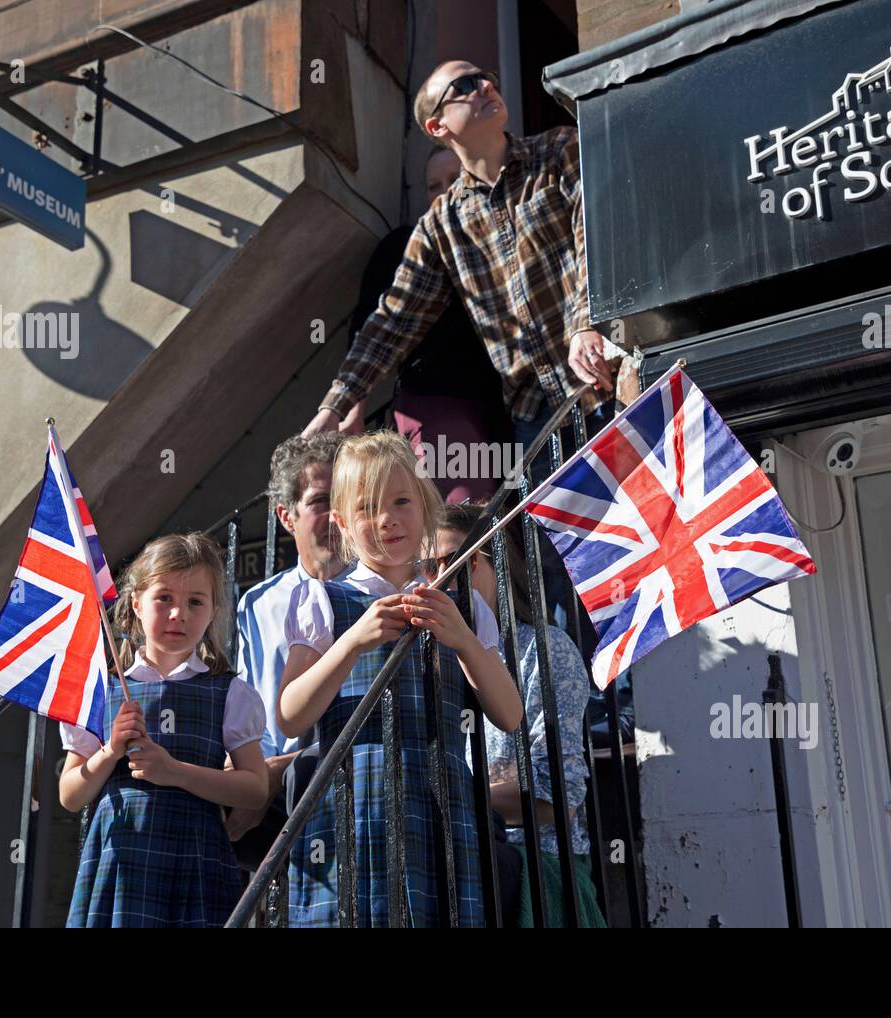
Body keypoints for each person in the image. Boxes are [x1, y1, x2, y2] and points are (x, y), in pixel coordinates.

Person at [302, 59, 619, 445]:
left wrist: (587, 323)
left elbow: (599, 235)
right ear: (437, 126)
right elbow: (393, 319)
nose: (485, 85)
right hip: (538, 422)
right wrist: (333, 407)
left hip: (609, 382)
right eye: (466, 84)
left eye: (487, 77)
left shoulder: (558, 150)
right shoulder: (441, 225)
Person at [277, 431, 524, 926]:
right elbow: (289, 715)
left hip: (441, 800)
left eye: (401, 501)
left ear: (426, 508)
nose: (386, 518)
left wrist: (463, 639)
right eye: (366, 508)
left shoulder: (463, 605)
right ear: (344, 523)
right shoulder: (325, 601)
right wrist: (350, 643)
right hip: (356, 800)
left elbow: (510, 713)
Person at [59, 532, 270, 927]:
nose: (179, 614)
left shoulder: (229, 693)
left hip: (196, 857)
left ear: (211, 612)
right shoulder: (100, 691)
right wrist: (111, 750)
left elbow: (254, 788)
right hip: (120, 858)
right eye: (164, 598)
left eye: (195, 602)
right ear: (136, 603)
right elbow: (71, 794)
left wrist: (174, 772)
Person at [436, 501, 606, 927]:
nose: (444, 579)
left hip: (530, 861)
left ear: (495, 566)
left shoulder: (542, 652)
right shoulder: (423, 663)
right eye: (429, 566)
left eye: (460, 561)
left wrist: (453, 797)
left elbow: (557, 796)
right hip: (453, 849)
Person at [345, 148, 511, 502]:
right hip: (437, 398)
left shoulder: (503, 238)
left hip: (508, 402)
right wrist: (353, 406)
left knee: (513, 523)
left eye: (455, 181)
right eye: (433, 186)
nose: (444, 193)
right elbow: (368, 328)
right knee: (465, 515)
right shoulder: (403, 245)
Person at [226, 433, 351, 870]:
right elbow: (253, 708)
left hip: (352, 770)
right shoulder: (258, 603)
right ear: (286, 517)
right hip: (276, 783)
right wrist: (246, 770)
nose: (336, 514)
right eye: (320, 502)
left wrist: (284, 766)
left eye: (345, 498)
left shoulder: (380, 592)